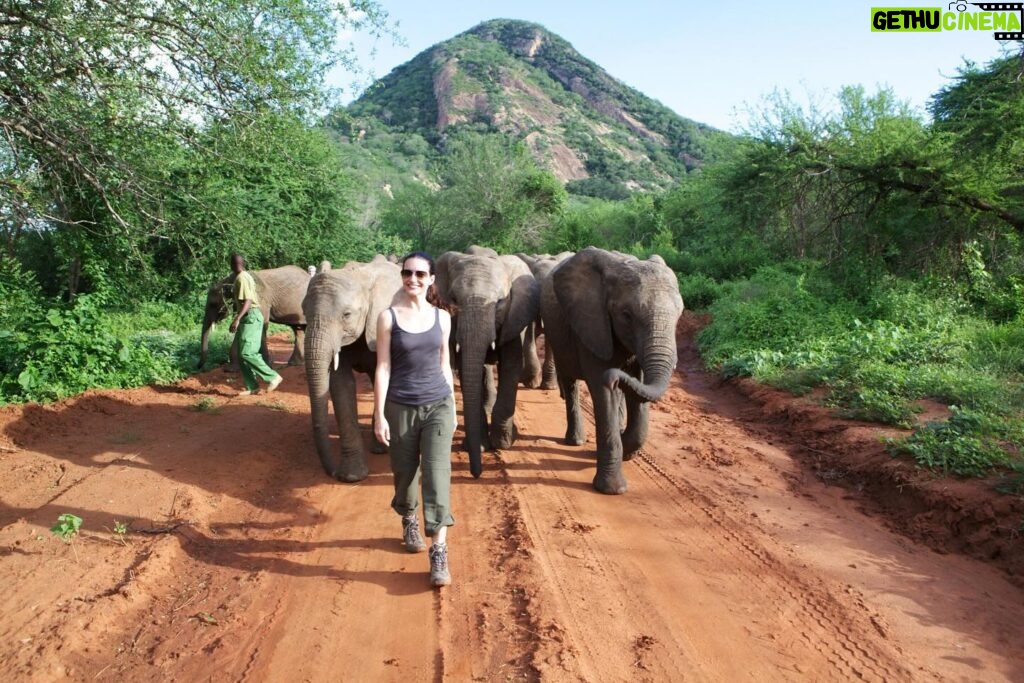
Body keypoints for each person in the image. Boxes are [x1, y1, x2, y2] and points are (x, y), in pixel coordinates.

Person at [374, 252, 456, 588]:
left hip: (438, 404)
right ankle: (409, 517)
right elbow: (383, 367)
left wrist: (452, 404)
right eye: (408, 273)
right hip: (400, 406)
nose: (413, 279)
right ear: (402, 276)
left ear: (432, 278)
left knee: (437, 477)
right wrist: (378, 414)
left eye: (420, 274)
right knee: (405, 474)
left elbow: (444, 363)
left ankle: (438, 551)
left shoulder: (443, 318)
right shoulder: (387, 318)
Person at [228, 254, 283, 397]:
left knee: (248, 352)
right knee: (241, 355)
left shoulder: (242, 278)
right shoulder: (244, 276)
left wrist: (237, 318)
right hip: (248, 317)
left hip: (250, 316)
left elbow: (248, 300)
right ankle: (252, 386)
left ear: (233, 264)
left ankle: (272, 377)